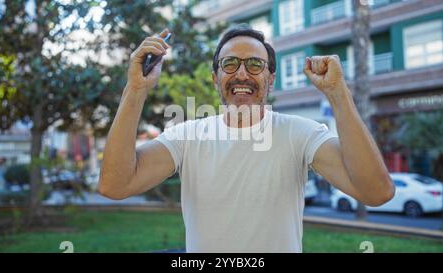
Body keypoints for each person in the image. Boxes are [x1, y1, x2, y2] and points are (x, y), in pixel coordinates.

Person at [98, 24, 395, 253]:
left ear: (270, 78)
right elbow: (115, 185)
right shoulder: (186, 136)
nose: (242, 74)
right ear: (216, 78)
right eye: (229, 65)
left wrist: (338, 94)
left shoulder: (300, 133)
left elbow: (376, 192)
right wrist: (135, 90)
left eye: (255, 65)